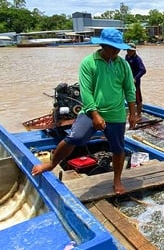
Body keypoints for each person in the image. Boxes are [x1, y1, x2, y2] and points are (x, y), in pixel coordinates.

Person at [32, 28, 138, 194]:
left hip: (116, 113)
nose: (116, 51)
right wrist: (95, 115)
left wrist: (133, 113)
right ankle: (51, 164)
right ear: (103, 45)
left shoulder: (123, 64)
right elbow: (86, 92)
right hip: (90, 111)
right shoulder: (89, 63)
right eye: (112, 47)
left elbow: (129, 90)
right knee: (75, 137)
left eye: (118, 48)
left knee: (118, 148)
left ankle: (117, 179)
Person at [125, 43, 147, 121]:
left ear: (134, 51)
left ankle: (139, 115)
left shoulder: (137, 59)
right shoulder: (127, 57)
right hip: (127, 81)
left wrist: (136, 78)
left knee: (138, 98)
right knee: (129, 97)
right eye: (128, 50)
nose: (129, 52)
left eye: (130, 50)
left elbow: (143, 70)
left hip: (135, 82)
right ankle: (132, 113)